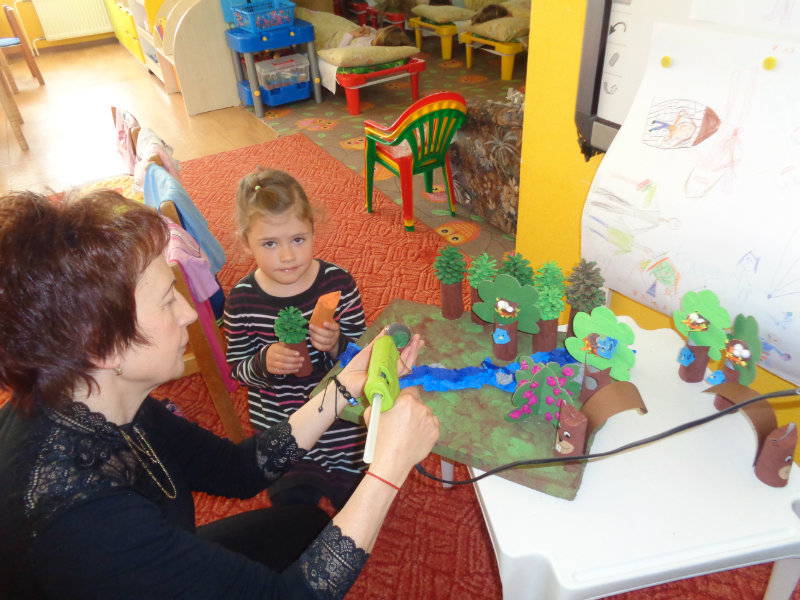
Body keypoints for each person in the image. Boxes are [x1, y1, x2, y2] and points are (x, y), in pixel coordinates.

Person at [0, 189, 439, 600]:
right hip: (123, 563)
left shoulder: (97, 397)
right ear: (101, 344)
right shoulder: (85, 524)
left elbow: (237, 470)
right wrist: (387, 471)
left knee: (305, 526)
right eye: (168, 301)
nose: (189, 313)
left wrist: (342, 387)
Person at [224, 168, 369, 509]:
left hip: (342, 422)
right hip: (282, 423)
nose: (287, 256)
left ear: (313, 231)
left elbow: (364, 354)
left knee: (362, 503)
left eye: (298, 240)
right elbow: (238, 369)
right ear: (246, 242)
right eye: (270, 243)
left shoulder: (339, 283)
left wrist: (337, 344)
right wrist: (263, 362)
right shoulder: (241, 299)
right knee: (291, 511)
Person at [338, 24, 412, 48]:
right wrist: (370, 29)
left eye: (383, 29)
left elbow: (340, 51)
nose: (380, 28)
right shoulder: (380, 42)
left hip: (347, 38)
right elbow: (376, 32)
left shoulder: (362, 46)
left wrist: (350, 34)